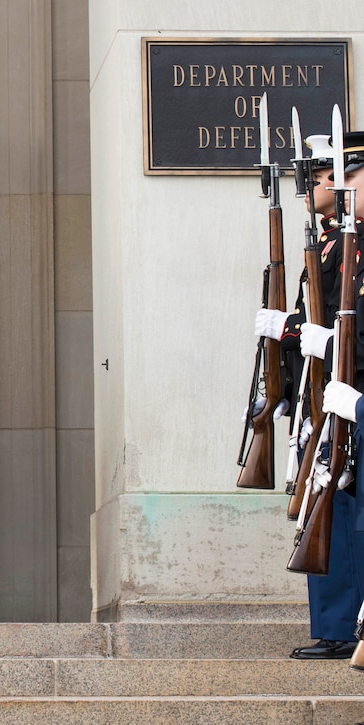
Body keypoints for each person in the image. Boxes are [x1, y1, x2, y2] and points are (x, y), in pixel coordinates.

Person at [262, 131, 364, 659]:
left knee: (346, 510)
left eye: (331, 177)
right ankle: (335, 624)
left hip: (351, 391)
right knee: (325, 503)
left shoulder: (354, 243)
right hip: (325, 390)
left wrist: (305, 334)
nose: (316, 187)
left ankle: (347, 626)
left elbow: (347, 324)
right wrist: (283, 361)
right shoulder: (328, 240)